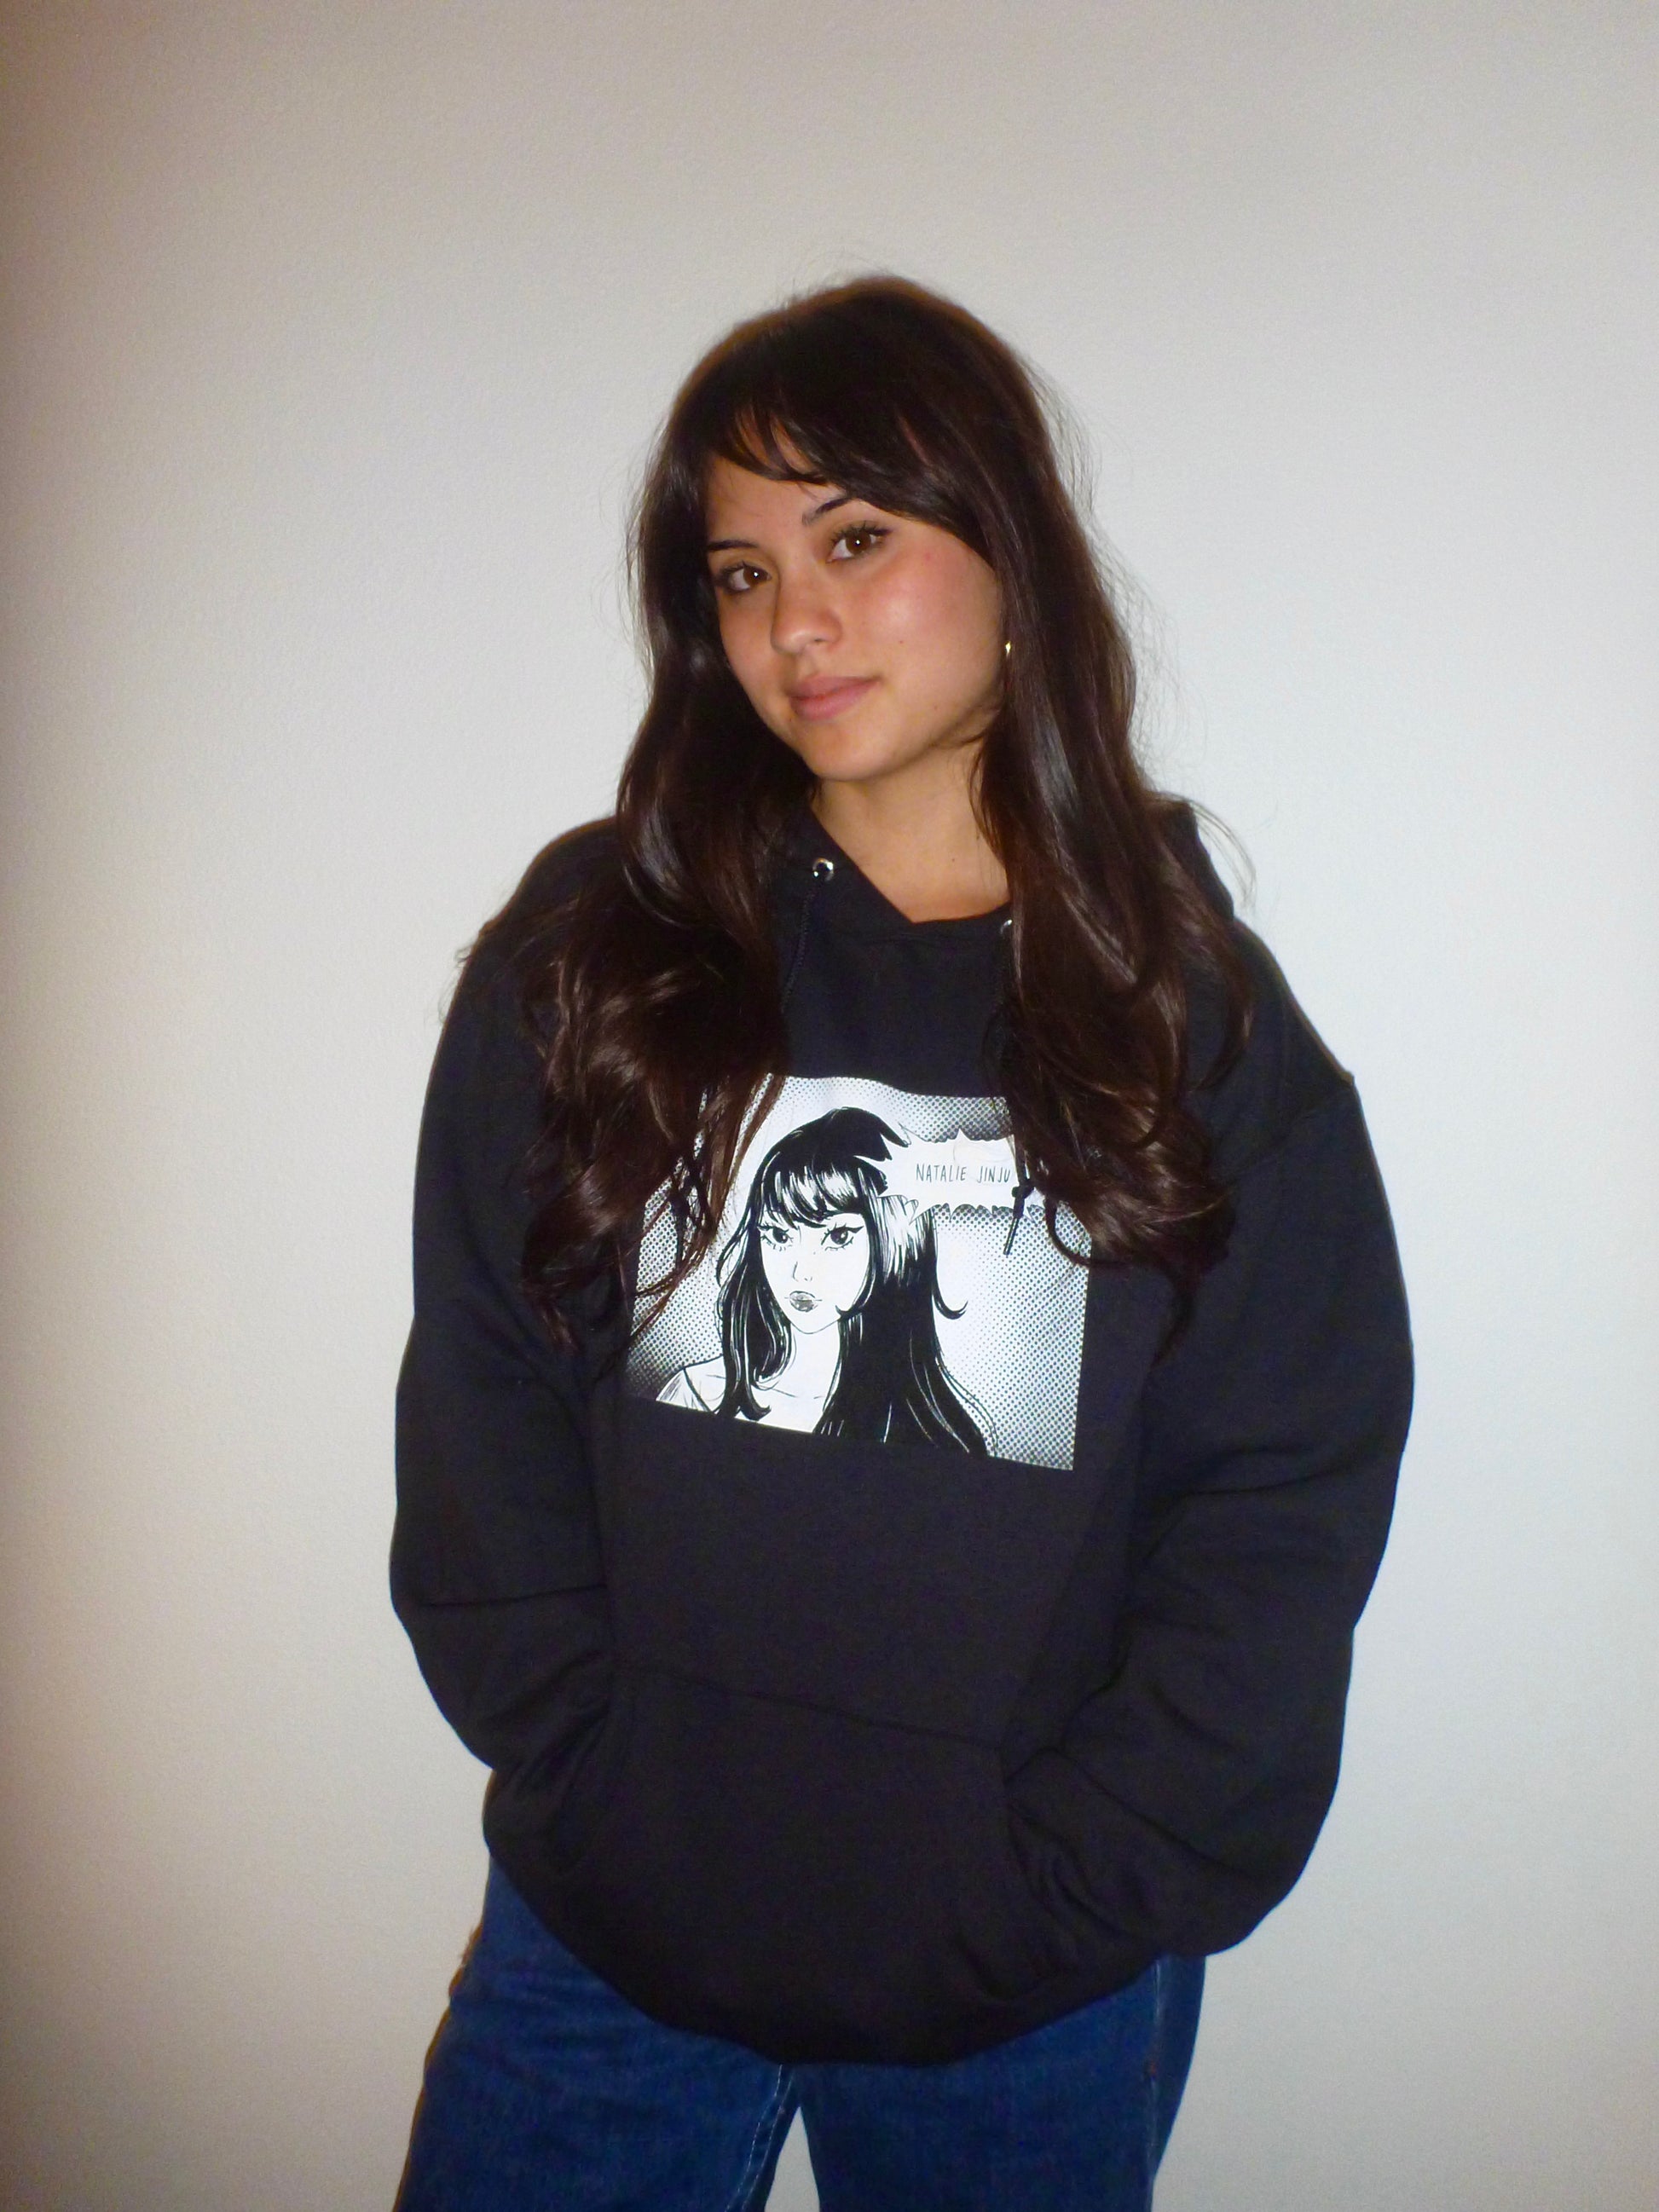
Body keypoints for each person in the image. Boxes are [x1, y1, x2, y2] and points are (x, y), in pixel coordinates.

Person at [390, 276, 1413, 2210]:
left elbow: (1281, 1491)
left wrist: (1086, 1873)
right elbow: (483, 1377)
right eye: (741, 572)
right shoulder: (600, 951)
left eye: (855, 538)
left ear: (1011, 556)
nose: (795, 621)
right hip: (609, 1936)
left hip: (1024, 1981)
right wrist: (588, 1775)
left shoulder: (1181, 1013)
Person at [656, 1104, 993, 1451]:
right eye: (779, 1236)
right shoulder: (696, 1394)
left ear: (893, 1240)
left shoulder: (930, 1436)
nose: (801, 1272)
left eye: (838, 1237)